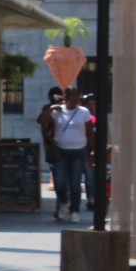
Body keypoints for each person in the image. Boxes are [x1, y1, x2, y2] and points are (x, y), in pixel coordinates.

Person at [38, 86, 95, 223]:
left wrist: (92, 149)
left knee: (75, 183)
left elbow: (89, 132)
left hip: (78, 150)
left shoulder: (84, 112)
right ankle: (63, 203)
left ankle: (75, 211)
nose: (74, 100)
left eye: (77, 97)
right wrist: (51, 109)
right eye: (71, 97)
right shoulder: (58, 110)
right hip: (61, 151)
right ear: (65, 98)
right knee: (60, 182)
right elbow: (41, 120)